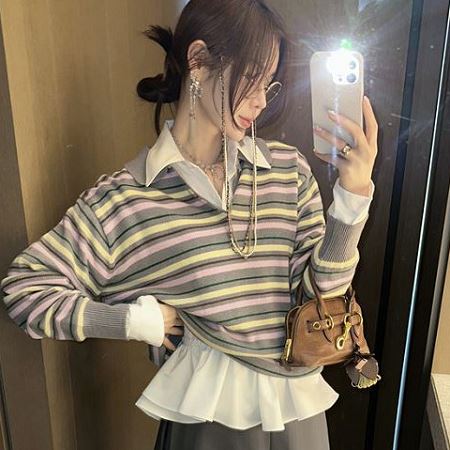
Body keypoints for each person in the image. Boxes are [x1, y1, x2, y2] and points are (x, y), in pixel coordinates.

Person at [1, 0, 378, 448]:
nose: (261, 101)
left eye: (269, 84)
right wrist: (134, 321)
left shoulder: (286, 171)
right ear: (198, 60)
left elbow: (321, 295)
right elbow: (26, 289)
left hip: (300, 417)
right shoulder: (128, 199)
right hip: (209, 423)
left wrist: (352, 198)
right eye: (252, 78)